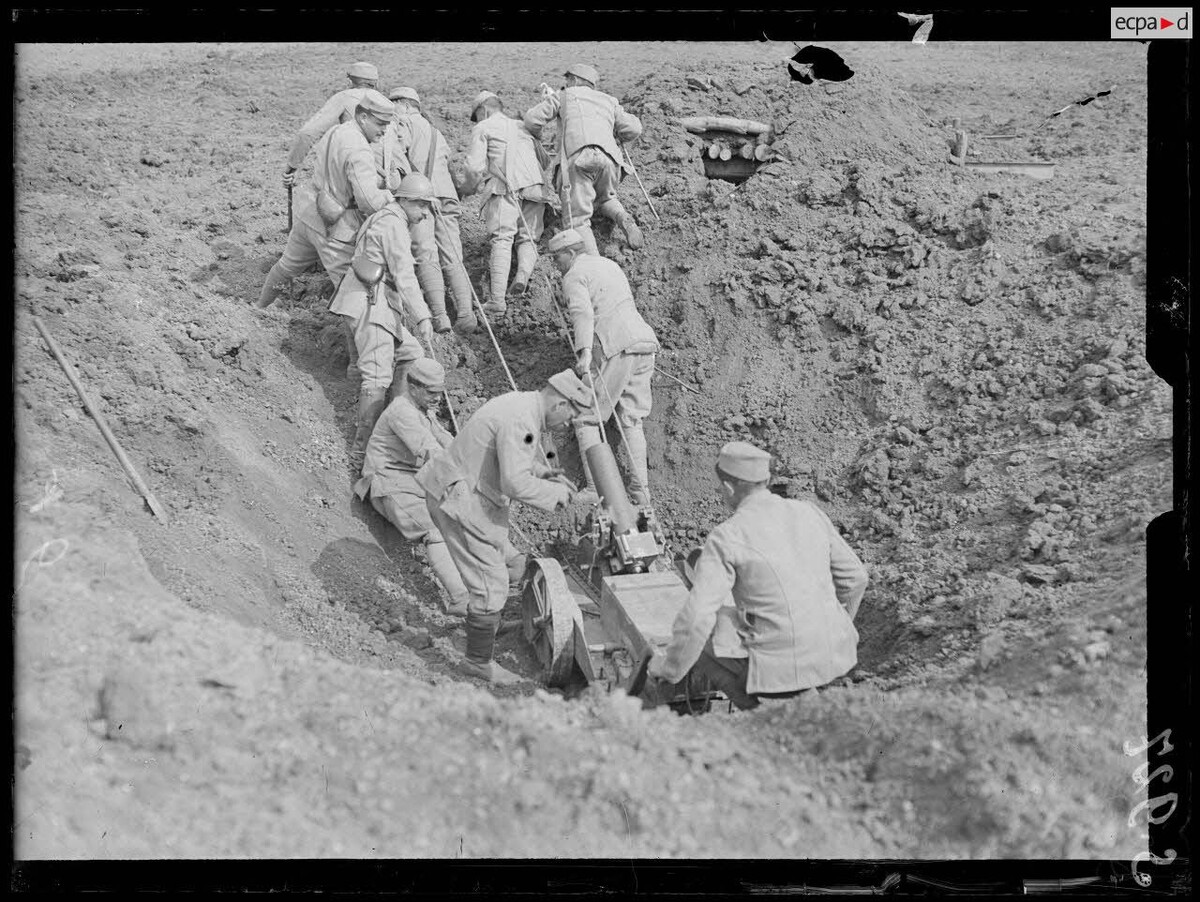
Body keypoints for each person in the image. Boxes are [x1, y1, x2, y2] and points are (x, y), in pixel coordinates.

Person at [644, 441, 868, 711]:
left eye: (720, 488)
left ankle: (766, 712)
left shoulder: (728, 536)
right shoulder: (809, 512)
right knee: (729, 621)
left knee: (705, 637)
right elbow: (856, 579)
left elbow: (696, 619)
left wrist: (668, 668)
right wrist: (836, 628)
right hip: (835, 656)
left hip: (784, 671)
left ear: (728, 488)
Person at [416, 370, 596, 684]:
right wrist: (556, 496)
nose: (568, 424)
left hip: (459, 487)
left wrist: (544, 474)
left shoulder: (523, 405)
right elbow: (512, 482)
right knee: (491, 582)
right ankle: (477, 663)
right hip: (459, 498)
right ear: (560, 403)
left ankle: (488, 626)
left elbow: (512, 454)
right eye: (571, 416)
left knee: (491, 578)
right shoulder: (523, 420)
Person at [328, 172, 437, 469]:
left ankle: (397, 423)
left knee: (412, 354)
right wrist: (424, 316)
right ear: (405, 200)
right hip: (370, 304)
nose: (425, 213)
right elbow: (405, 276)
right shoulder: (393, 225)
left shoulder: (386, 217)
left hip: (372, 302)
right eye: (421, 205)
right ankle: (361, 454)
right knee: (377, 377)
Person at [257, 90, 396, 310]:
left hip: (308, 213)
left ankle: (261, 309)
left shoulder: (337, 131)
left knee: (286, 267)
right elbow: (368, 202)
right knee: (354, 291)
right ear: (363, 117)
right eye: (380, 124)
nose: (384, 131)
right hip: (334, 228)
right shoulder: (359, 151)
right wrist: (390, 198)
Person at [549, 228, 658, 505]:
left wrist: (584, 353)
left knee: (586, 416)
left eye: (557, 257)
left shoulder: (574, 274)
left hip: (614, 344)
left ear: (571, 253)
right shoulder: (608, 264)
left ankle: (596, 489)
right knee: (632, 420)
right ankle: (640, 493)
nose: (555, 264)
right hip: (643, 341)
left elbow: (582, 313)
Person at [354, 358, 470, 614]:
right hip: (388, 483)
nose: (438, 399)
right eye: (432, 393)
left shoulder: (422, 410)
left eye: (440, 392)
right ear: (413, 386)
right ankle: (460, 598)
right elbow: (431, 452)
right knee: (434, 531)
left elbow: (446, 441)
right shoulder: (402, 411)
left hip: (413, 481)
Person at [380, 86, 476, 335]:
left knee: (425, 254)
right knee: (453, 255)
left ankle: (440, 316)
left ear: (405, 104)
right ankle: (466, 313)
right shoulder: (435, 131)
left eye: (394, 104)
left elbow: (396, 157)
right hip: (446, 196)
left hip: (420, 197)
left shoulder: (402, 123)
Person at [523, 62, 645, 256]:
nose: (566, 83)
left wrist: (537, 137)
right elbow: (634, 129)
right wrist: (618, 133)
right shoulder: (608, 100)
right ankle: (623, 217)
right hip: (609, 160)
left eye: (568, 79)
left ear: (576, 80)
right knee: (605, 197)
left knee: (578, 220)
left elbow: (531, 120)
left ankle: (594, 265)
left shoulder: (562, 96)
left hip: (579, 159)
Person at [461, 90, 555, 315]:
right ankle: (522, 274)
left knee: (502, 238)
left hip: (505, 187)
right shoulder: (522, 125)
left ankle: (497, 301)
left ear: (483, 110)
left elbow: (474, 168)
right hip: (535, 187)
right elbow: (544, 160)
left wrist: (466, 189)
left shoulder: (483, 127)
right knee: (529, 238)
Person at [282, 62, 380, 189]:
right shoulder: (386, 102)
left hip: (359, 172)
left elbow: (307, 134)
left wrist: (292, 167)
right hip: (389, 178)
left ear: (349, 82)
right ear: (376, 84)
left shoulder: (344, 97)